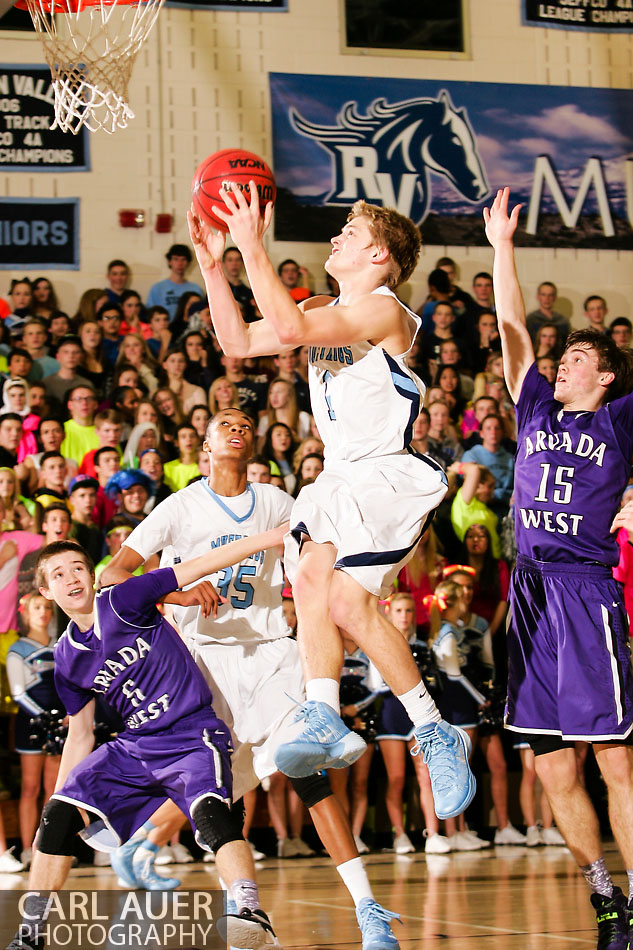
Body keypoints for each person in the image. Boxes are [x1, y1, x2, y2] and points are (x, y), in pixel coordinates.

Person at [187, 187, 475, 825]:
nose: (337, 239)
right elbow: (237, 342)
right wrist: (214, 266)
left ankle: (435, 732)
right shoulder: (322, 306)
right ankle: (324, 714)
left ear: (378, 253)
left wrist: (251, 244)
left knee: (346, 601)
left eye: (350, 232)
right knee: (316, 581)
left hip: (383, 477)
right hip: (339, 475)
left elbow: (288, 330)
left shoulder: (385, 312)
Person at [102, 408, 402, 950]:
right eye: (225, 424)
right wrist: (174, 591)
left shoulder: (279, 503)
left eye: (245, 423)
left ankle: (368, 910)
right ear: (204, 447)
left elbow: (317, 572)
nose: (238, 428)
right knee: (222, 791)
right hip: (202, 662)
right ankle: (197, 877)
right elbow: (113, 573)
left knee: (308, 773)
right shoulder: (180, 507)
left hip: (269, 655)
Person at [4, 531, 289, 950]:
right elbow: (79, 735)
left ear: (92, 573)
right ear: (45, 591)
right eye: (59, 575)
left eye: (78, 568)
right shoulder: (66, 657)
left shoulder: (123, 600)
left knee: (212, 813)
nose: (72, 579)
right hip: (135, 745)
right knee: (58, 816)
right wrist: (58, 796)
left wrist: (276, 534)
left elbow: (203, 563)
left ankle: (249, 912)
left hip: (191, 732)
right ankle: (30, 933)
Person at [484, 187, 633, 949]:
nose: (563, 363)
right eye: (564, 357)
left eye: (577, 357)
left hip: (585, 591)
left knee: (612, 761)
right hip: (529, 596)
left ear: (605, 376)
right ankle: (606, 900)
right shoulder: (536, 411)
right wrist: (502, 248)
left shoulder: (616, 418)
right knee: (551, 768)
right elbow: (513, 332)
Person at [6, 591, 63, 869]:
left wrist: (64, 717)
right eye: (37, 608)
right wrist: (44, 716)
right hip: (31, 723)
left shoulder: (60, 645)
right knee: (30, 787)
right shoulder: (18, 649)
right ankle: (28, 848)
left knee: (52, 791)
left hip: (58, 724)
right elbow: (19, 693)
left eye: (47, 608)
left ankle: (47, 849)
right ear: (26, 613)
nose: (43, 612)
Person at [146, 243, 204, 322]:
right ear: (169, 262)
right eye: (176, 259)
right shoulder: (157, 288)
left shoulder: (196, 289)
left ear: (188, 262)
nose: (180, 263)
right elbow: (151, 314)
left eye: (183, 259)